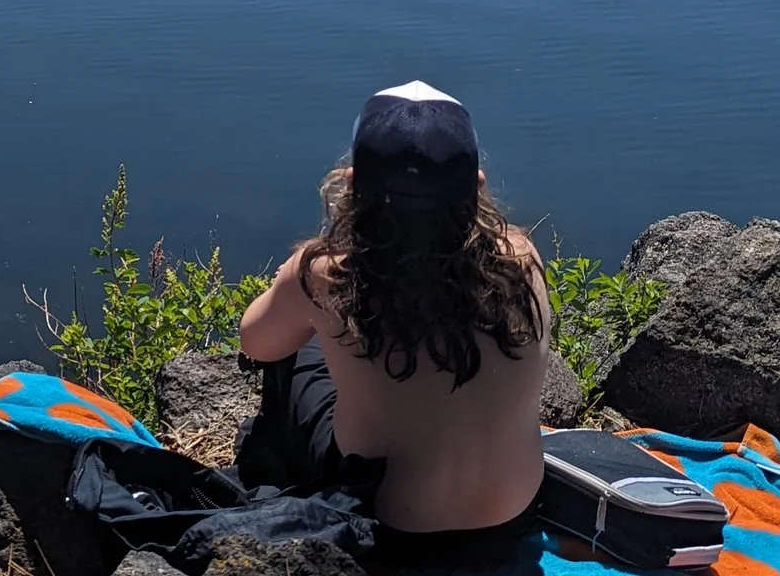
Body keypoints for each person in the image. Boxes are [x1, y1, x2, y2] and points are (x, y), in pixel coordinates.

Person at [235, 80, 549, 550]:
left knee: (294, 356)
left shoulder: (324, 274)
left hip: (388, 527)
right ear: (476, 186)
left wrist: (293, 276)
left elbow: (254, 342)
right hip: (513, 521)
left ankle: (267, 470)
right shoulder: (520, 257)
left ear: (351, 184)